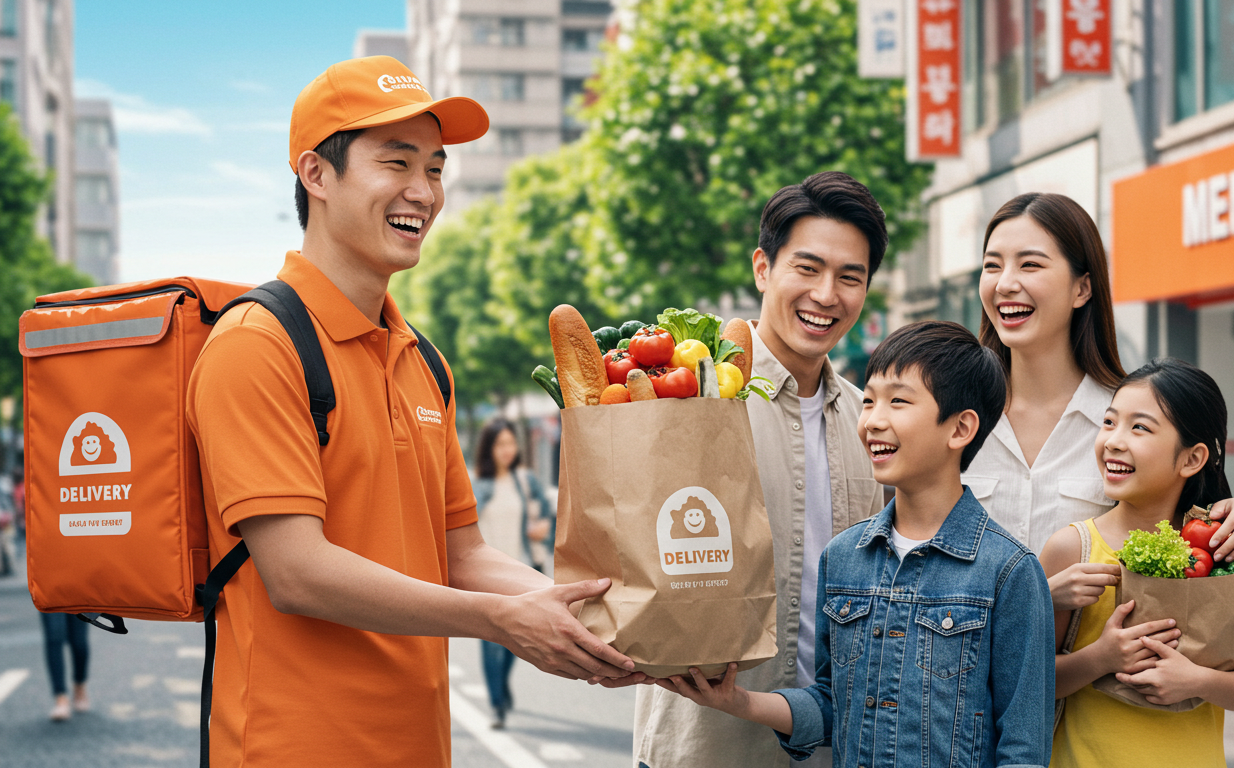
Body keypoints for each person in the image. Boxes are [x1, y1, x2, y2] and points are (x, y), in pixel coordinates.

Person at [186, 56, 636, 768]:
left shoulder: (423, 360)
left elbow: (460, 555)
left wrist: (595, 611)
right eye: (396, 162)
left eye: (435, 168)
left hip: (417, 746)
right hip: (290, 748)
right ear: (316, 175)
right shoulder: (256, 345)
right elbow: (297, 572)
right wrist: (502, 621)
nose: (422, 192)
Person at [659, 321, 1054, 768]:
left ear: (960, 429)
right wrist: (737, 701)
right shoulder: (844, 558)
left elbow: (1023, 752)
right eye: (868, 401)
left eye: (898, 401)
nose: (872, 421)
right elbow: (833, 704)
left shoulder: (1009, 572)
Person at [631, 172, 888, 768]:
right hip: (704, 745)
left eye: (851, 277)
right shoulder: (692, 398)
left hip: (836, 748)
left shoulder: (869, 422)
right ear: (762, 269)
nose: (827, 295)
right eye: (807, 268)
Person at [963, 192, 1234, 615]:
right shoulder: (956, 418)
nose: (1004, 283)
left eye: (1029, 264)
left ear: (1082, 287)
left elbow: (1187, 532)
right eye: (992, 265)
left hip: (1098, 671)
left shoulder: (1129, 426)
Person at [1040, 357, 1234, 768]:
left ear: (1191, 459)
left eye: (1139, 427)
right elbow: (1028, 681)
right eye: (1109, 422)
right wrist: (1101, 659)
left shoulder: (1218, 552)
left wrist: (1197, 681)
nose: (1112, 440)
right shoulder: (1072, 549)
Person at [471, 419, 554, 728]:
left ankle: (502, 684)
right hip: (487, 576)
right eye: (500, 444)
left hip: (519, 570)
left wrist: (542, 530)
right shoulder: (478, 485)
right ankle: (496, 704)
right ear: (488, 449)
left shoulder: (526, 481)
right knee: (492, 642)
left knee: (513, 642)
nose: (507, 450)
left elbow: (546, 516)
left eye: (511, 443)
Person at [38, 611, 90, 721]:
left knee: (79, 642)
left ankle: (79, 685)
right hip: (49, 594)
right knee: (53, 637)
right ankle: (60, 698)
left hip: (80, 594)